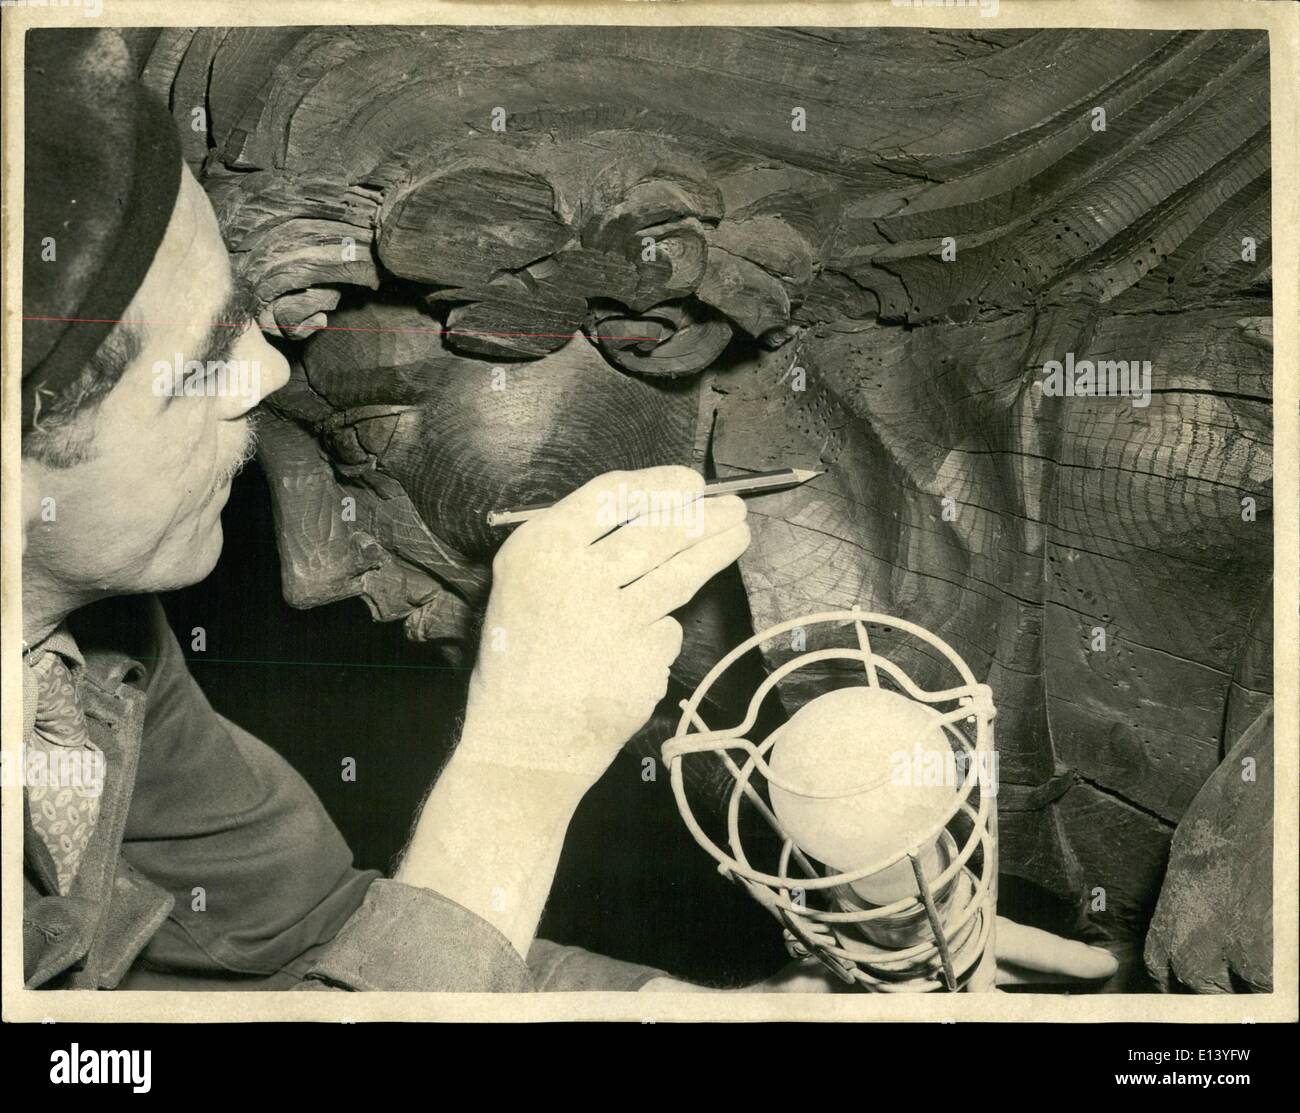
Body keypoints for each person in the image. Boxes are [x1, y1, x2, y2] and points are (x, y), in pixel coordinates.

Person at [19, 28, 1116, 993]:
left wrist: (687, 1015)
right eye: (198, 368)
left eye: (243, 325)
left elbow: (308, 940)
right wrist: (519, 765)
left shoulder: (98, 663)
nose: (263, 373)